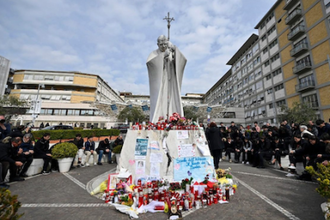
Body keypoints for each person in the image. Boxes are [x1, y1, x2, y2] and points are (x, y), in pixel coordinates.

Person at [147, 35, 187, 123]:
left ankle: (174, 117)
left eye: (165, 44)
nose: (163, 46)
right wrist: (162, 57)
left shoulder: (170, 50)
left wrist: (174, 51)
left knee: (173, 97)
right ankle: (159, 119)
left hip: (171, 80)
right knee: (160, 100)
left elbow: (182, 60)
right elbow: (150, 63)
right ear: (157, 44)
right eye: (161, 44)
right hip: (161, 81)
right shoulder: (154, 54)